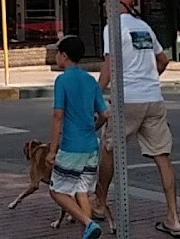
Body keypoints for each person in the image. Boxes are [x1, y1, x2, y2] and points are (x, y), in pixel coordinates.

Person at [97, 0, 180, 237]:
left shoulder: (112, 28)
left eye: (107, 1)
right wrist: (149, 79)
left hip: (127, 98)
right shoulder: (144, 27)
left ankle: (99, 203)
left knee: (110, 149)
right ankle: (173, 218)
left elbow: (109, 65)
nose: (105, 6)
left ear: (119, 3)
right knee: (162, 156)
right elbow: (163, 60)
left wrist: (95, 95)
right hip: (153, 98)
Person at [47, 34, 108, 239]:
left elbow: (58, 116)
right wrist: (93, 127)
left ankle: (88, 223)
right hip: (91, 145)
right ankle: (87, 233)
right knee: (82, 192)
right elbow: (105, 114)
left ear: (64, 56)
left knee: (57, 191)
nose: (56, 57)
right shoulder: (90, 80)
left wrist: (52, 150)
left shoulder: (62, 80)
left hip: (72, 146)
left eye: (58, 53)